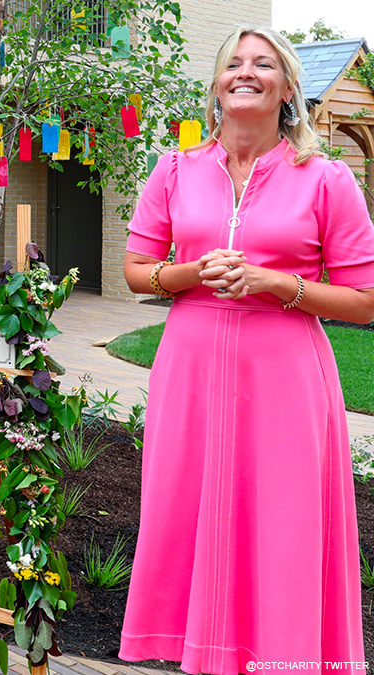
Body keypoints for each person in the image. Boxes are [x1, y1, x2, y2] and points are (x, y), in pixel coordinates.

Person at [120, 26, 374, 674]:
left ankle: (283, 657)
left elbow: (366, 299)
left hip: (287, 381)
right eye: (234, 62)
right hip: (190, 375)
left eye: (263, 63)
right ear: (217, 84)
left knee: (281, 528)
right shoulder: (175, 169)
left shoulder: (327, 180)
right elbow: (136, 267)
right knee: (185, 515)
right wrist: (191, 273)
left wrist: (278, 284)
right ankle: (199, 655)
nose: (246, 71)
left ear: (288, 86)